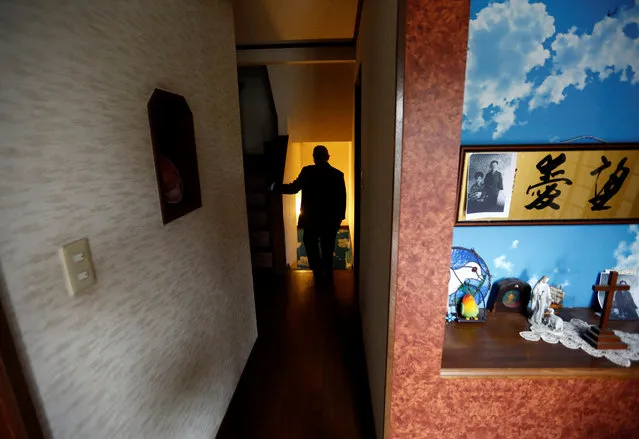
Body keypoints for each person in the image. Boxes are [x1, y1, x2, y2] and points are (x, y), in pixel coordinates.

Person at [273, 145, 346, 280]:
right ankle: (327, 275)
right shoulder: (337, 174)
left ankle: (317, 271)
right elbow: (342, 198)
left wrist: (276, 187)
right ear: (328, 157)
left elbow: (293, 188)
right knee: (328, 248)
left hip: (311, 218)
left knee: (310, 244)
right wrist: (340, 218)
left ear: (314, 157)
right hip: (330, 219)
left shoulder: (307, 172)